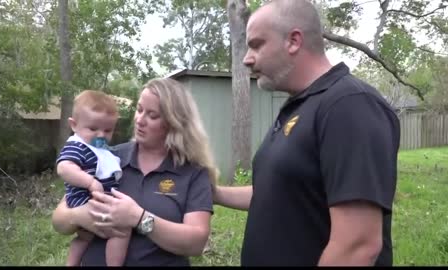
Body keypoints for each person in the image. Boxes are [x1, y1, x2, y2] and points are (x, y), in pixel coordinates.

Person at [213, 0, 400, 266]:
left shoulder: (349, 105)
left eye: (256, 45)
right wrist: (216, 193)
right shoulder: (299, 106)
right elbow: (278, 191)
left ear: (294, 41)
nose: (246, 59)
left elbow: (357, 245)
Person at [52, 78, 218, 266]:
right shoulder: (109, 158)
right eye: (139, 110)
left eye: (152, 115)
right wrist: (79, 215)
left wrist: (139, 218)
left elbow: (196, 243)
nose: (140, 120)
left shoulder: (193, 172)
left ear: (174, 123)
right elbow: (59, 221)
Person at [56, 90, 131, 266]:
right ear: (74, 125)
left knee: (84, 237)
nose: (101, 135)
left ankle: (72, 264)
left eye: (107, 130)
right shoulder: (78, 146)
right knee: (121, 231)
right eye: (93, 128)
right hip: (84, 201)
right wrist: (90, 182)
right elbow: (63, 168)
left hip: (89, 202)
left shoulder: (101, 150)